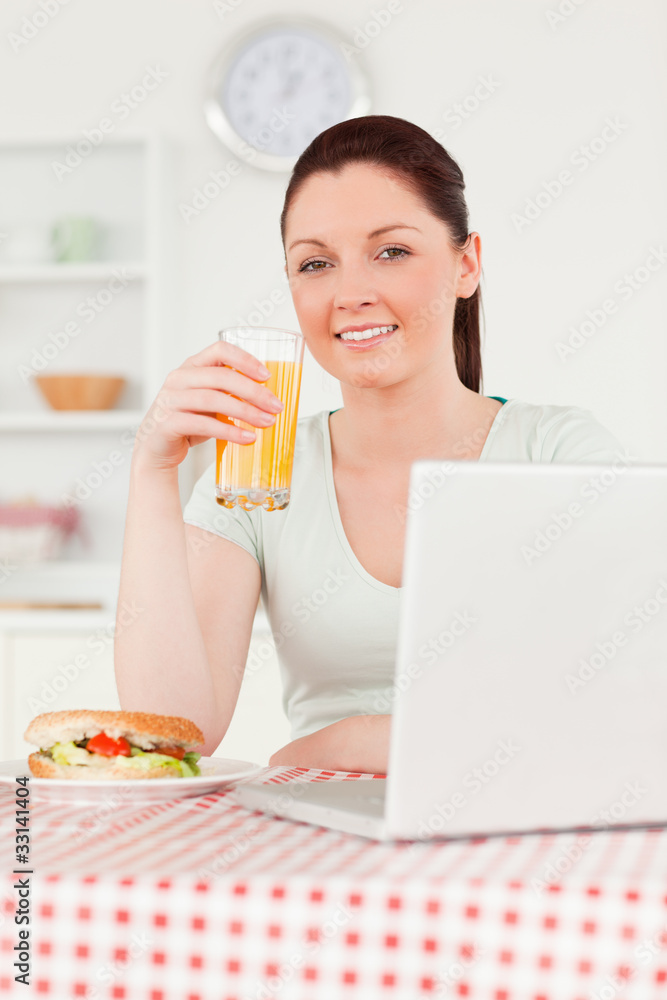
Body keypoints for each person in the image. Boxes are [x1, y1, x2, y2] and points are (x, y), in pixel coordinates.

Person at [114, 115, 626, 774]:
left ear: (465, 264)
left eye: (390, 251)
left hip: (529, 828)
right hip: (325, 841)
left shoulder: (560, 454)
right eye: (315, 263)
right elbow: (171, 736)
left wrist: (350, 741)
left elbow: (619, 710)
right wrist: (152, 474)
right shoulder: (257, 471)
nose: (350, 294)